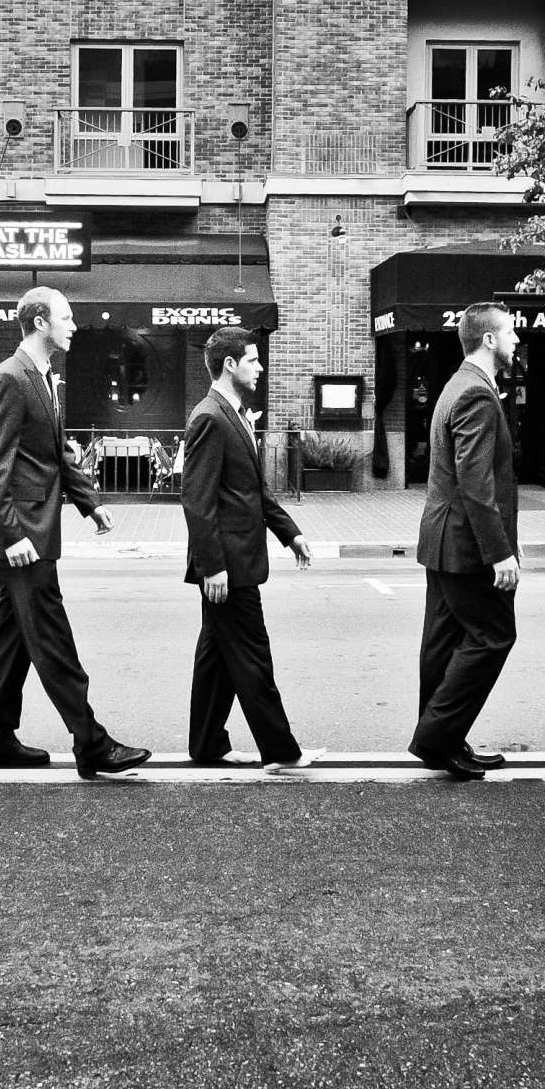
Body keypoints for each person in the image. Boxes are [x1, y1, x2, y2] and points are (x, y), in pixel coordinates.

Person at [0, 287, 151, 780]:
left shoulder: (47, 379)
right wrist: (11, 535)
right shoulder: (10, 378)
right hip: (22, 535)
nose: (74, 326)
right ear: (38, 322)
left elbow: (56, 453)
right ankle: (91, 743)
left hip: (34, 528)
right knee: (51, 636)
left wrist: (90, 503)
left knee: (14, 636)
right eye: (66, 318)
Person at [180, 326, 316, 773]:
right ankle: (281, 751)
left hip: (235, 558)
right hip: (229, 565)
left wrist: (288, 532)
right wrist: (212, 567)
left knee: (216, 657)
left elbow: (250, 492)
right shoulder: (210, 417)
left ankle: (206, 745)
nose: (260, 367)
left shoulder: (233, 413)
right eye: (254, 360)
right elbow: (198, 501)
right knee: (253, 656)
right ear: (230, 365)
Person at [410, 301, 523, 783]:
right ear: (490, 340)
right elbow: (475, 483)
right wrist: (499, 552)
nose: (518, 341)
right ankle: (436, 737)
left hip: (445, 539)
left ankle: (444, 739)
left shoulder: (459, 385)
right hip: (466, 544)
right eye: (512, 333)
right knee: (493, 635)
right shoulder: (476, 393)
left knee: (444, 640)